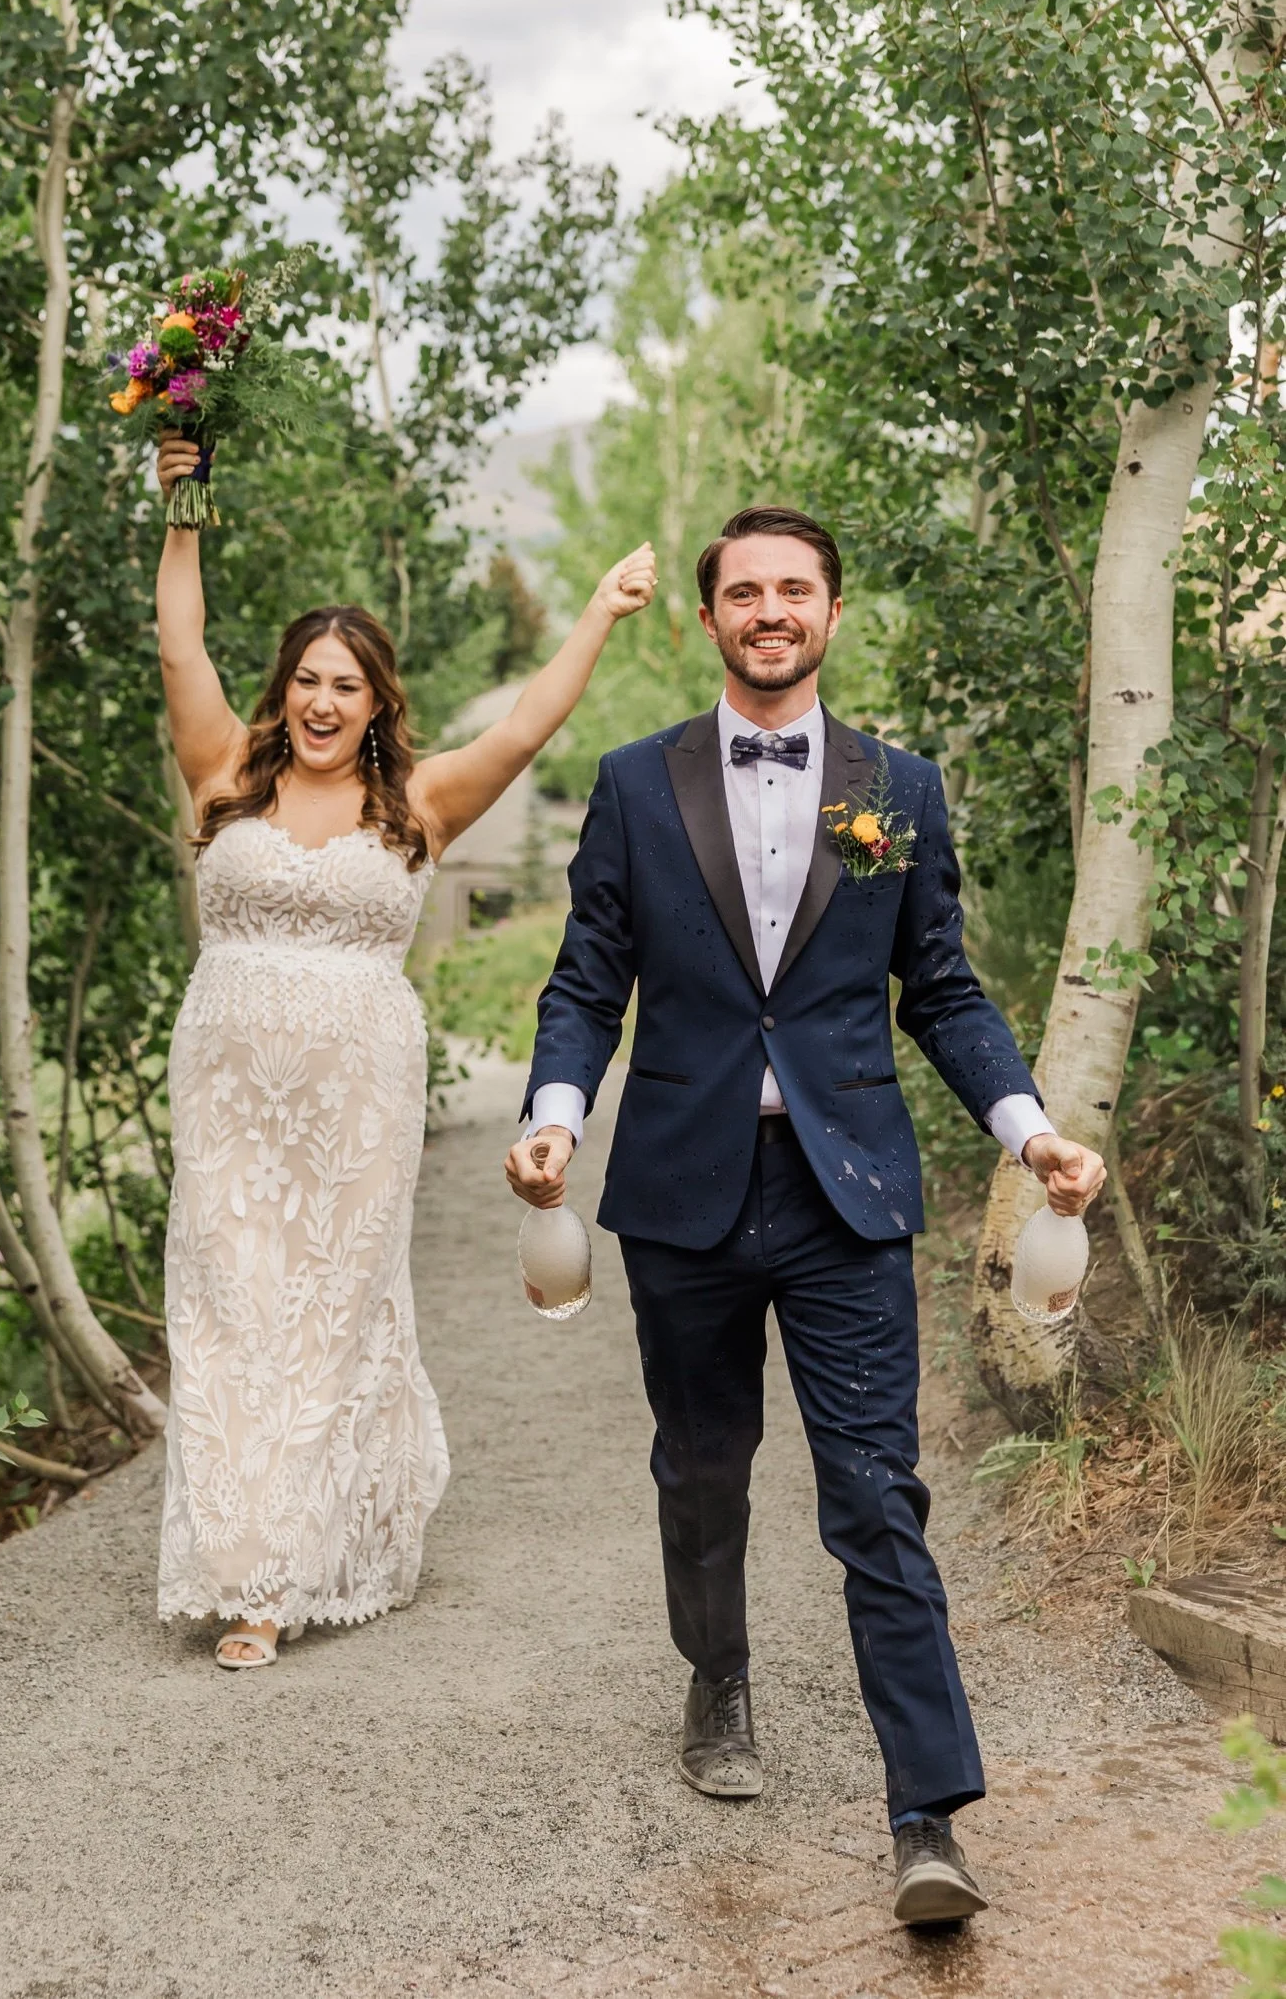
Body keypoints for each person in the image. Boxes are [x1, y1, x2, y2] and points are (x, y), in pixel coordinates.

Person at [505, 504, 1105, 1926]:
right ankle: (717, 1675)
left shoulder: (901, 785)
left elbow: (940, 988)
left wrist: (1030, 1130)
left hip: (850, 1192)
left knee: (878, 1494)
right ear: (707, 615)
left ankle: (927, 1815)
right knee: (702, 1468)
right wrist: (555, 1112)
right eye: (745, 591)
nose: (770, 611)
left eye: (795, 589)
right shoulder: (635, 783)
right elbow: (590, 977)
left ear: (832, 610)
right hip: (682, 1191)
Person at [153, 429, 656, 1669]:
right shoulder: (223, 771)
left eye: (347, 684)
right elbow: (177, 646)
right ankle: (241, 1549)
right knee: (227, 1309)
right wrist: (182, 508)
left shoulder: (419, 802)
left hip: (358, 1100)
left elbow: (528, 728)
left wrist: (596, 612)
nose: (322, 702)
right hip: (227, 1091)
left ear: (378, 702)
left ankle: (275, 1578)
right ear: (282, 690)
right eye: (305, 680)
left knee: (329, 1306)